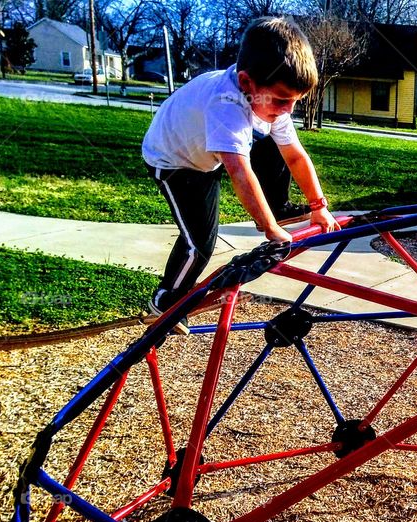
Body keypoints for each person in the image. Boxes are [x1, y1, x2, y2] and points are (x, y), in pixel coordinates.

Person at [142, 16, 339, 322]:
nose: (289, 110)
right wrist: (270, 229)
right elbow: (239, 172)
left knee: (275, 138)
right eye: (283, 100)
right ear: (247, 82)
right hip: (174, 161)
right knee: (200, 241)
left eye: (295, 102)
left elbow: (296, 156)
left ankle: (279, 206)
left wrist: (319, 206)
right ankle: (167, 298)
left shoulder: (267, 97)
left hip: (207, 150)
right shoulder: (225, 104)